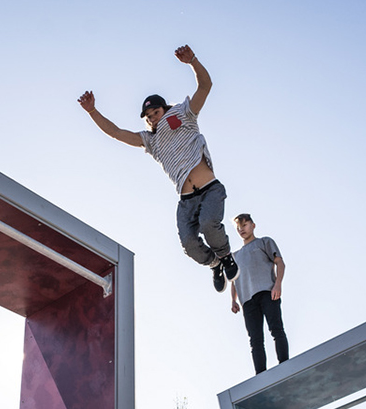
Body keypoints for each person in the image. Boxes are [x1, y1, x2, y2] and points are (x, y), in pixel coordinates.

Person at [78, 45, 238, 293]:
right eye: (149, 116)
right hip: (186, 200)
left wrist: (193, 61)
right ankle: (214, 263)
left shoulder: (183, 115)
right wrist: (92, 112)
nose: (153, 118)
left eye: (156, 112)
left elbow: (205, 86)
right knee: (188, 244)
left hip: (210, 189)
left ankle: (226, 255)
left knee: (209, 224)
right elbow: (116, 133)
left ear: (164, 109)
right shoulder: (150, 141)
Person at [230, 213, 289, 374]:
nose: (241, 229)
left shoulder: (264, 242)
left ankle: (285, 365)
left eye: (244, 225)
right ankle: (261, 375)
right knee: (255, 340)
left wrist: (278, 284)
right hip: (247, 301)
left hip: (267, 292)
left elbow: (280, 263)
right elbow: (234, 280)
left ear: (253, 225)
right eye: (238, 227)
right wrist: (233, 300)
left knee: (276, 329)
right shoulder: (235, 256)